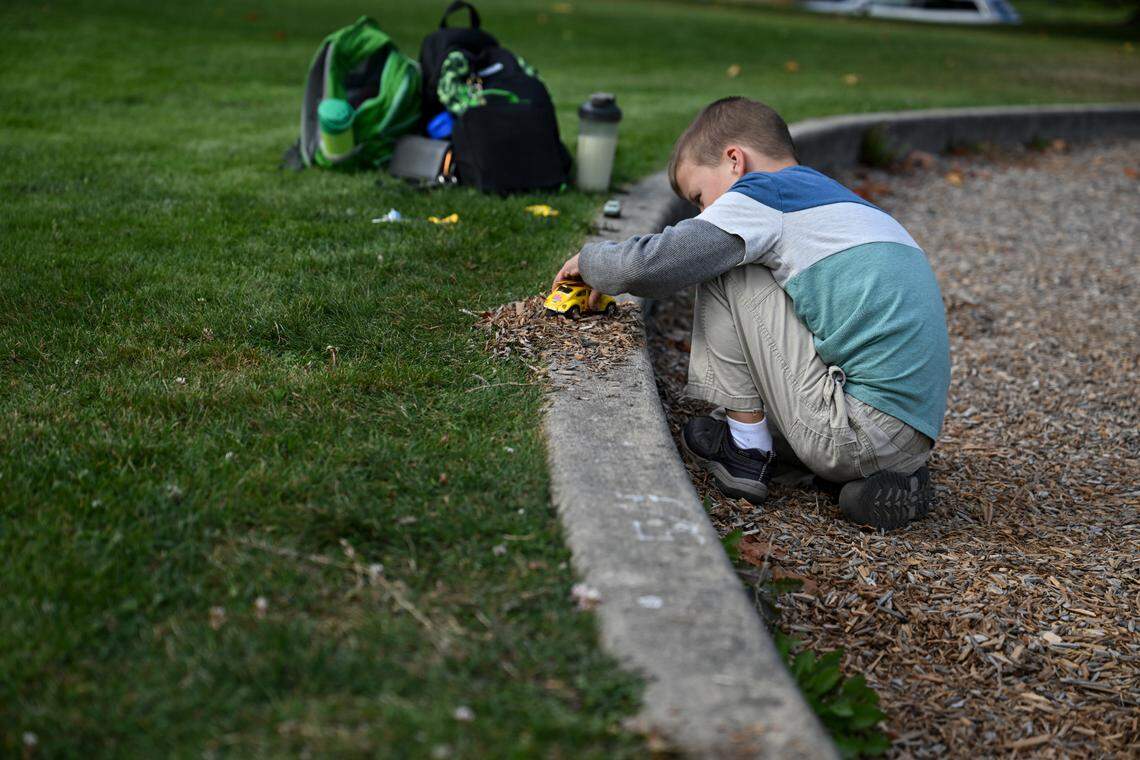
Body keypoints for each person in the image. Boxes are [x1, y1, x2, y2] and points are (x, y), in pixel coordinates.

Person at [552, 96, 950, 530]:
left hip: (853, 429)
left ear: (735, 161)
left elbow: (651, 265)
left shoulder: (763, 196)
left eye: (700, 197)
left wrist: (591, 263)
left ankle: (746, 451)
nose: (704, 211)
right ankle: (886, 477)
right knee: (747, 261)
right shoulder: (840, 205)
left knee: (723, 260)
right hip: (911, 432)